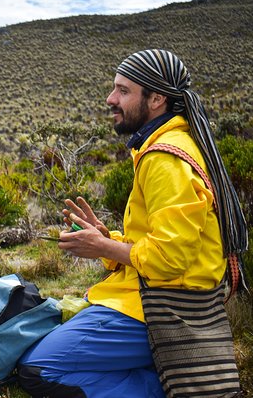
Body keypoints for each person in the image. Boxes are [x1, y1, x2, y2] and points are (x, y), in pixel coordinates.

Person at [17, 49, 248, 397]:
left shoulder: (164, 159)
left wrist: (102, 246)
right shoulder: (169, 144)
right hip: (154, 297)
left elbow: (170, 259)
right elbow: (162, 242)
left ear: (156, 99)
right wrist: (106, 240)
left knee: (37, 369)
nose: (111, 99)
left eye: (123, 91)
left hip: (160, 307)